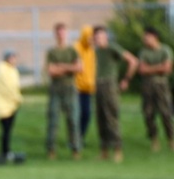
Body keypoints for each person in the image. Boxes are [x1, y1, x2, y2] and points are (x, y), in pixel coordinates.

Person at [93, 25, 138, 163]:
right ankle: (104, 151)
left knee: (111, 117)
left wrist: (126, 80)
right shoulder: (96, 51)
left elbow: (133, 61)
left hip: (109, 85)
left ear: (105, 36)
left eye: (100, 36)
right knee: (100, 119)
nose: (98, 39)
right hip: (98, 85)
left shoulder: (112, 47)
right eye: (96, 37)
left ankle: (118, 150)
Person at [44, 23, 82, 160]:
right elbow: (51, 71)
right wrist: (69, 68)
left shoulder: (72, 51)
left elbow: (79, 68)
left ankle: (76, 149)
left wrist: (61, 66)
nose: (61, 34)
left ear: (66, 33)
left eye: (63, 32)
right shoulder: (52, 52)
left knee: (73, 120)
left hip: (70, 88)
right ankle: (51, 150)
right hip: (55, 88)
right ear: (55, 34)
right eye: (58, 32)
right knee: (53, 119)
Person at [137, 26, 174, 152]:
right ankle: (154, 139)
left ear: (154, 37)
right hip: (147, 86)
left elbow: (167, 69)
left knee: (166, 113)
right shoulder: (143, 52)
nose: (145, 39)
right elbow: (142, 70)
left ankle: (171, 138)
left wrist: (150, 68)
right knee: (148, 113)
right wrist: (159, 67)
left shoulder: (165, 50)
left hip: (162, 86)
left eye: (147, 37)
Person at [0, 51, 24, 165]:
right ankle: (5, 152)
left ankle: (7, 152)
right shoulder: (2, 69)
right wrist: (18, 98)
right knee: (6, 130)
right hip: (3, 105)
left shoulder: (13, 70)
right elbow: (7, 87)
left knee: (8, 130)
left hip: (11, 105)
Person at [74, 25, 97, 142]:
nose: (92, 40)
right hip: (77, 88)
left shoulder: (92, 50)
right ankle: (75, 138)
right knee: (77, 114)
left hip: (88, 88)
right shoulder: (76, 47)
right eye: (90, 37)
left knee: (87, 114)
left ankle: (80, 137)